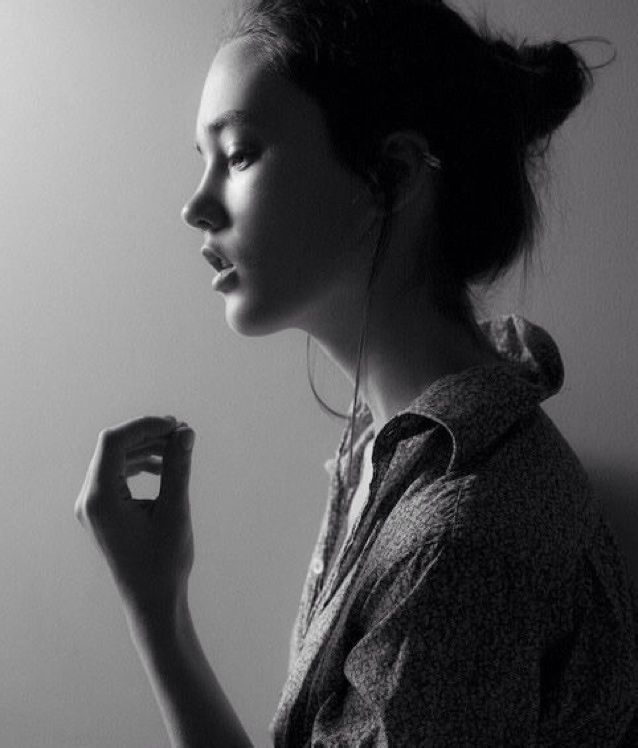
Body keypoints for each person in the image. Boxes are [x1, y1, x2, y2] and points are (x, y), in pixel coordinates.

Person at [74, 0, 638, 744]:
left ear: (393, 175)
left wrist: (156, 615)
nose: (196, 206)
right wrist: (159, 605)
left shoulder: (455, 546)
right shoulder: (394, 451)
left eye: (238, 154)